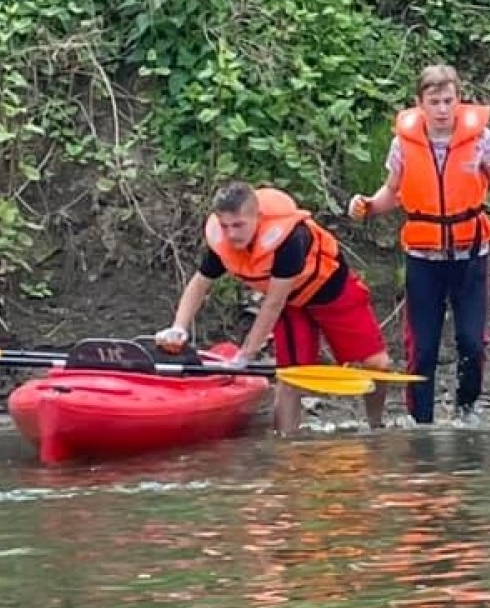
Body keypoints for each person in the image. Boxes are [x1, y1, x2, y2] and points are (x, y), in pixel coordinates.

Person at [349, 64, 490, 427]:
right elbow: (392, 192)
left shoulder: (480, 138)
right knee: (422, 348)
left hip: (470, 255)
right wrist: (367, 206)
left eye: (449, 100)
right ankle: (420, 420)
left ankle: (466, 410)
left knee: (472, 342)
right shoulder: (404, 144)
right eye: (434, 101)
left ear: (458, 100)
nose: (442, 109)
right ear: (419, 103)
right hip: (423, 260)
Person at [155, 182, 394, 436]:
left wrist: (245, 355)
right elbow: (200, 282)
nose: (231, 234)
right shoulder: (223, 242)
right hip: (292, 306)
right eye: (225, 226)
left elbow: (272, 304)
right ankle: (286, 443)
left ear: (257, 217)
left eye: (238, 225)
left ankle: (375, 428)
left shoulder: (290, 239)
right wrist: (178, 327)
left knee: (377, 364)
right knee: (290, 377)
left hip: (332, 295)